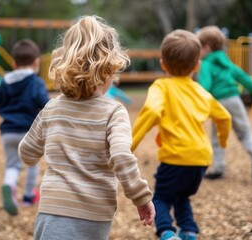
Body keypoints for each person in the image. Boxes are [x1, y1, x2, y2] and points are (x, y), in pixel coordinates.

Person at [18, 15, 155, 240]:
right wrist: (140, 197)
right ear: (108, 68)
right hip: (93, 214)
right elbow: (121, 156)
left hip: (51, 210)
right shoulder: (113, 112)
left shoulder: (52, 108)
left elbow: (26, 153)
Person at [131, 29, 232, 240]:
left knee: (161, 198)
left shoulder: (162, 87)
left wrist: (129, 145)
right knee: (182, 196)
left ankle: (167, 233)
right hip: (201, 160)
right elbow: (224, 117)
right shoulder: (201, 92)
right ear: (197, 65)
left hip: (176, 157)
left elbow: (151, 111)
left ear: (162, 64)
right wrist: (222, 140)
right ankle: (189, 232)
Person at [0, 39, 50, 216]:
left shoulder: (5, 83)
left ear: (14, 63)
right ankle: (28, 196)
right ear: (36, 63)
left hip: (7, 133)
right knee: (32, 163)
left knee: (12, 165)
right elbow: (44, 102)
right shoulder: (35, 82)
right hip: (28, 132)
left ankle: (9, 184)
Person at [196, 26, 252, 180]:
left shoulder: (206, 64)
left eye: (200, 48)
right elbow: (243, 77)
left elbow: (204, 86)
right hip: (235, 100)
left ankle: (218, 168)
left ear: (207, 47)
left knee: (218, 136)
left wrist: (196, 98)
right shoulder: (227, 63)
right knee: (245, 132)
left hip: (218, 104)